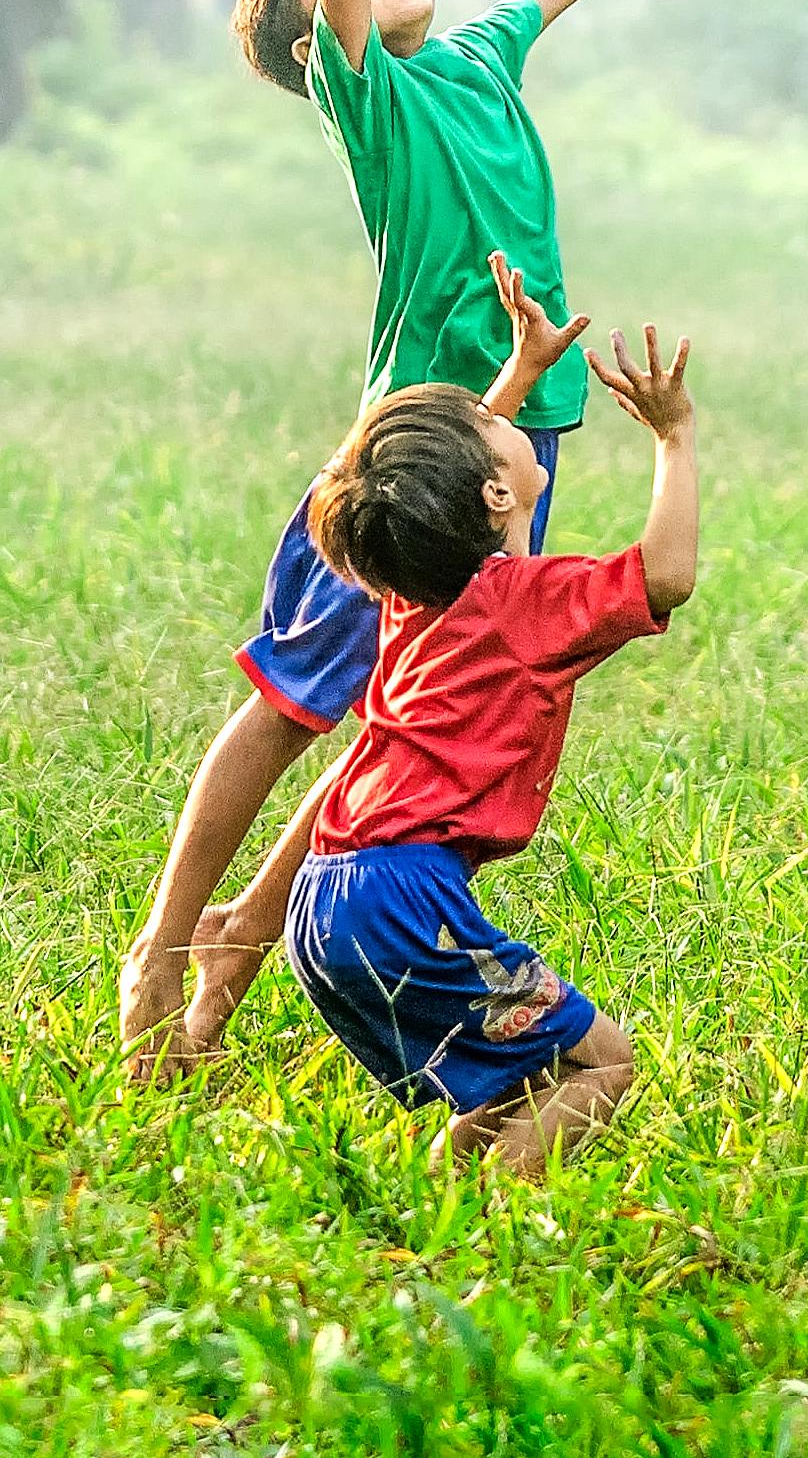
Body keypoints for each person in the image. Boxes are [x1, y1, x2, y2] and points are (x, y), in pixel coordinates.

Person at [114, 0, 742, 1060]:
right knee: (291, 705)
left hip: (520, 437)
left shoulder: (474, 58)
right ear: (310, 34)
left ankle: (222, 989)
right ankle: (161, 954)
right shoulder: (373, 100)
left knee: (403, 720)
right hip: (409, 451)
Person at [282, 299, 702, 1172]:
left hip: (325, 902)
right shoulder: (525, 604)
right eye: (489, 425)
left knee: (514, 1074)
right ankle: (497, 1223)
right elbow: (667, 573)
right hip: (407, 906)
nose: (495, 414)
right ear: (497, 492)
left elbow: (441, 486)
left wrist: (517, 377)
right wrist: (674, 437)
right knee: (604, 1059)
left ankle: (439, 1199)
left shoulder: (412, 583)